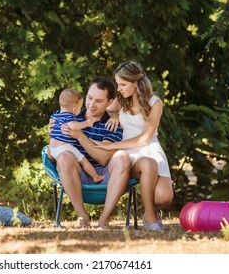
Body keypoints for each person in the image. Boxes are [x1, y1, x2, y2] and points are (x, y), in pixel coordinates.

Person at [93, 61, 174, 232]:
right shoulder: (121, 100)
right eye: (118, 84)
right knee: (146, 164)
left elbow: (144, 139)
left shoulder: (155, 103)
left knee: (165, 198)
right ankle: (150, 216)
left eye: (123, 84)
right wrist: (114, 116)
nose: (119, 88)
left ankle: (149, 212)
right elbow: (104, 110)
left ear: (135, 82)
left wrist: (112, 146)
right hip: (129, 154)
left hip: (150, 147)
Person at [49, 77, 131, 229]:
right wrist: (53, 139)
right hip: (77, 174)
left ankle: (104, 219)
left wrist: (79, 135)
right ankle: (83, 217)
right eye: (89, 98)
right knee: (64, 157)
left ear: (109, 102)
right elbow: (52, 156)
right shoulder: (71, 117)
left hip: (106, 176)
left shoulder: (112, 123)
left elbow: (103, 158)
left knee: (122, 157)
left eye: (99, 101)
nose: (91, 105)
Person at [48, 88, 104, 183]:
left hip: (52, 149)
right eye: (79, 108)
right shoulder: (69, 116)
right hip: (64, 148)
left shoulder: (55, 114)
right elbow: (73, 126)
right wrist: (87, 123)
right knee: (83, 160)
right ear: (74, 109)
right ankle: (95, 176)